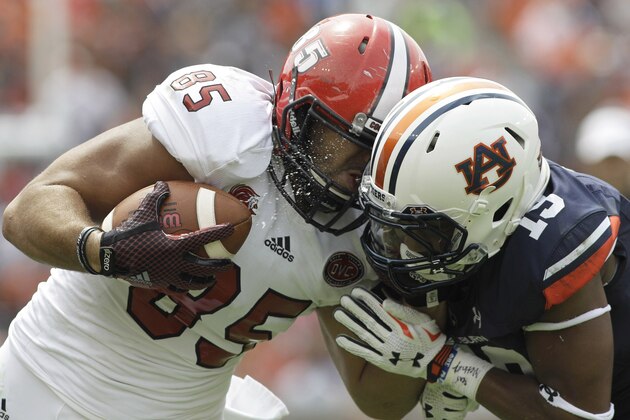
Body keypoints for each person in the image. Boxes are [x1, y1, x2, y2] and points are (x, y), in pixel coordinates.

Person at [0, 14, 433, 419]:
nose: (363, 170)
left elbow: (378, 400)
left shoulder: (377, 229)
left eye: (380, 154)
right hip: (48, 386)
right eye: (348, 141)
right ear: (298, 115)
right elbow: (29, 208)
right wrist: (102, 251)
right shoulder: (227, 132)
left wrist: (432, 351)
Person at [334, 76, 630, 419]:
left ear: (491, 212)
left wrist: (446, 364)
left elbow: (578, 414)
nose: (400, 249)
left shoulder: (554, 247)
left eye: (423, 232)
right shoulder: (485, 232)